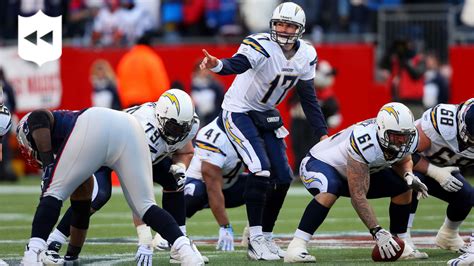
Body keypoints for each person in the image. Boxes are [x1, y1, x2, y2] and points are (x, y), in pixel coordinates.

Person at [199, 1, 328, 260]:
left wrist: (322, 132)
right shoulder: (260, 44)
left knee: (282, 177)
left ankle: (266, 237)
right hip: (239, 110)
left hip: (266, 113)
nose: (282, 29)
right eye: (279, 23)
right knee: (260, 168)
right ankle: (255, 238)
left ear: (299, 29)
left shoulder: (306, 55)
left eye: (289, 25)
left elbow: (308, 96)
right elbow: (239, 64)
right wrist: (217, 65)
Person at [17, 106, 203, 265]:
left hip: (97, 124)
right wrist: (71, 256)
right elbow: (81, 214)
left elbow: (38, 117)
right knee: (145, 205)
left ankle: (32, 254)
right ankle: (186, 251)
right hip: (129, 128)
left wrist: (48, 164)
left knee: (54, 191)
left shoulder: (37, 125)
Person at [284, 102, 429, 263]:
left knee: (403, 186)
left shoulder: (409, 136)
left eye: (405, 136)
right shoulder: (365, 142)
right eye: (396, 135)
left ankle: (401, 242)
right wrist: (377, 232)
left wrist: (408, 174)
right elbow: (358, 196)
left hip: (357, 170)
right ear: (381, 130)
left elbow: (404, 159)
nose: (402, 141)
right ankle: (296, 246)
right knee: (331, 188)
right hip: (319, 163)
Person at [403, 99, 474, 253]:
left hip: (445, 168)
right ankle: (402, 235)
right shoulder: (443, 122)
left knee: (467, 194)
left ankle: (448, 235)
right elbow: (404, 154)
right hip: (409, 166)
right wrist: (434, 172)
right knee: (413, 181)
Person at [184, 117, 247, 251]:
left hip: (228, 187)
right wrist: (225, 226)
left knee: (267, 182)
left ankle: (254, 233)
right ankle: (173, 228)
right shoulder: (216, 137)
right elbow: (212, 187)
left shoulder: (250, 134)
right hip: (202, 186)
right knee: (193, 192)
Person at [116, 33, 170, 108]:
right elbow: (160, 84)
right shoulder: (151, 58)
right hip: (147, 106)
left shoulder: (125, 60)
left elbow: (119, 84)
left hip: (128, 106)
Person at [0, 68, 17, 181]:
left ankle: (4, 171)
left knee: (5, 147)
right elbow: (13, 104)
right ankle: (4, 171)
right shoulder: (6, 86)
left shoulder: (6, 86)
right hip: (4, 121)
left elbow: (13, 104)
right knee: (4, 146)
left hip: (3, 122)